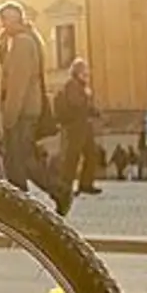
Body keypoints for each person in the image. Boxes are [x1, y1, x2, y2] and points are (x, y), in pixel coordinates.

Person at [0, 2, 72, 215]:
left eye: (6, 19)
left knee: (16, 162)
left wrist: (9, 116)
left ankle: (22, 207)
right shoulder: (24, 40)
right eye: (1, 20)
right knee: (25, 160)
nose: (3, 24)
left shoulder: (22, 42)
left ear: (17, 19)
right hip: (27, 109)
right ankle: (55, 193)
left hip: (21, 110)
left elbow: (18, 82)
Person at [56, 58, 101, 195]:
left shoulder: (81, 86)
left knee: (91, 154)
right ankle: (65, 186)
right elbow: (76, 103)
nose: (87, 74)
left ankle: (86, 183)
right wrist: (86, 98)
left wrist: (94, 111)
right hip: (75, 127)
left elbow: (85, 106)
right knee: (72, 156)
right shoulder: (72, 85)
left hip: (84, 126)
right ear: (77, 72)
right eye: (84, 71)